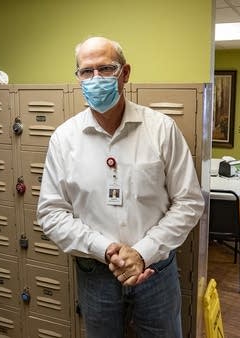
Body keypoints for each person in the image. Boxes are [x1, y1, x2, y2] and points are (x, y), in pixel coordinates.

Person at [37, 36, 205, 337]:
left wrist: (143, 252)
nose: (95, 79)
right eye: (86, 72)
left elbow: (189, 201)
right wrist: (105, 250)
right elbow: (51, 212)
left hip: (156, 271)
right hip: (95, 274)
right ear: (78, 77)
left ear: (125, 73)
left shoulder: (161, 129)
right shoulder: (64, 139)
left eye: (105, 69)